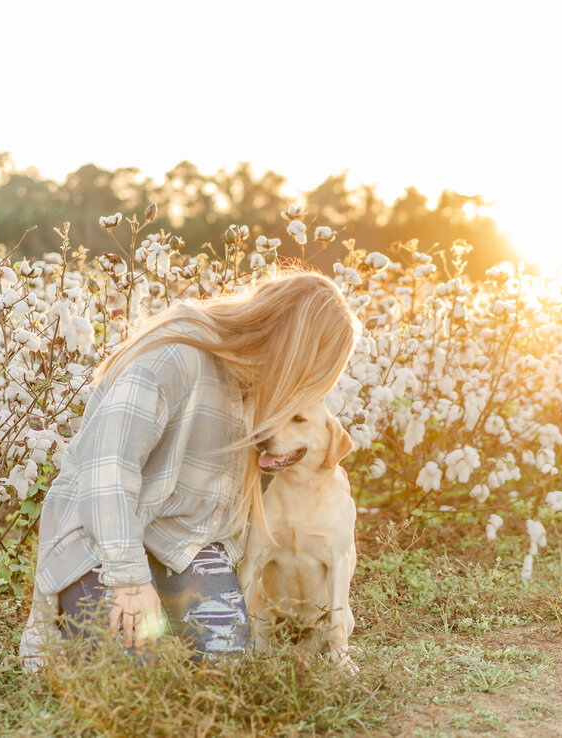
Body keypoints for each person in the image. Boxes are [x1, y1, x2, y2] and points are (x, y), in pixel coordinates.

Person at [19, 270, 358, 670]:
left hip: (184, 542)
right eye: (311, 375)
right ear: (293, 353)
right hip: (102, 537)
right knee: (132, 670)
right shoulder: (174, 355)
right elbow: (105, 471)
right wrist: (130, 581)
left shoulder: (256, 386)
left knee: (225, 665)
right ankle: (57, 636)